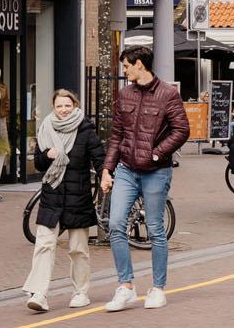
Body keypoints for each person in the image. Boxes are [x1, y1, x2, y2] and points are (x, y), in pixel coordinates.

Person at [99, 46, 190, 312]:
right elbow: (117, 135)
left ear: (139, 64)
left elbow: (182, 129)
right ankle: (125, 286)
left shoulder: (167, 94)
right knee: (115, 223)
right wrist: (107, 169)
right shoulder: (124, 94)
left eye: (126, 66)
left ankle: (158, 288)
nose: (124, 71)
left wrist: (157, 153)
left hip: (156, 171)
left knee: (155, 229)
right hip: (126, 169)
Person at [23, 89, 103, 313]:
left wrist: (106, 175)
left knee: (78, 249)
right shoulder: (46, 128)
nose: (63, 110)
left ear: (75, 106)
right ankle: (39, 293)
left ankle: (81, 292)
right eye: (59, 106)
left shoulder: (85, 129)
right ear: (53, 108)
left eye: (67, 106)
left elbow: (99, 157)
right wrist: (46, 154)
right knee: (44, 245)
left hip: (78, 197)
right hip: (52, 195)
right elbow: (38, 163)